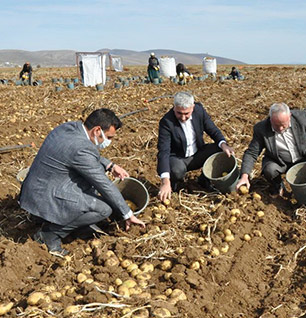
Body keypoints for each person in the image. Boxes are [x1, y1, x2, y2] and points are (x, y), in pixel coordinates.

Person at [19, 109, 145, 256]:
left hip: (36, 190)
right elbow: (103, 183)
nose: (109, 141)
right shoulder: (81, 148)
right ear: (97, 130)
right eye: (109, 137)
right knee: (103, 209)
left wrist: (110, 165)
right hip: (45, 197)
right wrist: (127, 213)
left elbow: (83, 155)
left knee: (89, 184)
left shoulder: (70, 128)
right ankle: (50, 235)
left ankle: (68, 222)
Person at [236, 102, 306, 197]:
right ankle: (279, 188)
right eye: (276, 125)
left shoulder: (301, 118)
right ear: (270, 119)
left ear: (289, 116)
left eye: (283, 124)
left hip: (305, 156)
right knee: (270, 170)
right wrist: (244, 175)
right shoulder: (262, 129)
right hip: (281, 162)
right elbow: (251, 153)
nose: (281, 128)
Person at [156, 92, 234, 202]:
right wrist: (165, 181)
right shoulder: (166, 122)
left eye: (186, 113)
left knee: (218, 149)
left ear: (192, 108)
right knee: (176, 170)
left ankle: (203, 179)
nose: (183, 117)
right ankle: (173, 186)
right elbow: (163, 151)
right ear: (174, 108)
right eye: (179, 113)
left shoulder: (199, 110)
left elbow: (212, 130)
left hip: (197, 154)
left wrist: (224, 145)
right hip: (179, 159)